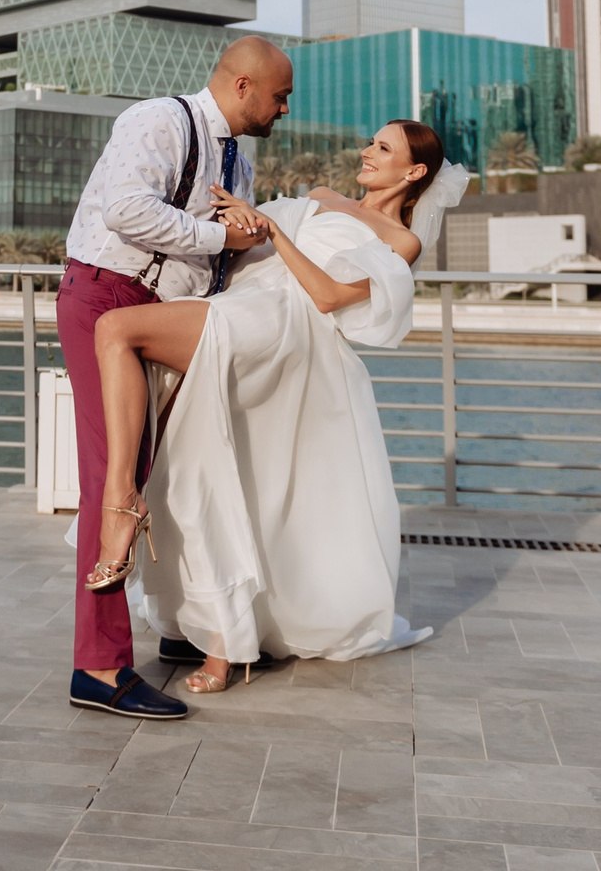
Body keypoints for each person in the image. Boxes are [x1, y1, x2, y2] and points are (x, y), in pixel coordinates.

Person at [93, 119, 466, 695]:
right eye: (370, 140)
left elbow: (327, 296)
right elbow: (248, 246)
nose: (366, 151)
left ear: (413, 172)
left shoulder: (401, 241)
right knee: (226, 479)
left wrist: (276, 232)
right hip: (245, 311)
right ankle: (222, 642)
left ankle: (122, 504)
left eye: (383, 147)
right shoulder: (320, 198)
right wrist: (242, 217)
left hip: (288, 332)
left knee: (118, 329)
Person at [58, 36, 291, 719]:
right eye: (280, 96)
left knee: (178, 467)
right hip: (107, 297)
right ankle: (98, 669)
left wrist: (259, 236)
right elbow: (126, 210)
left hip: (169, 316)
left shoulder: (238, 164)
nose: (285, 109)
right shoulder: (158, 120)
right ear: (243, 85)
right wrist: (223, 236)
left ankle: (183, 621)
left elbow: (231, 254)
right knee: (116, 481)